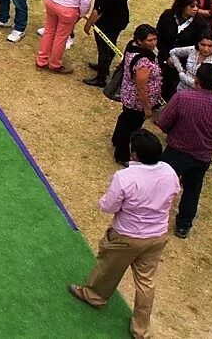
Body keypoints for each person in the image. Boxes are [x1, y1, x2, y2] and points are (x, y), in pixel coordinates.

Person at [67, 128, 179, 339]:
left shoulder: (125, 177)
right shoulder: (169, 171)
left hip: (127, 236)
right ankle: (140, 329)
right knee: (146, 282)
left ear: (135, 154)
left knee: (108, 267)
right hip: (157, 236)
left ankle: (94, 297)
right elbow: (174, 192)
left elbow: (109, 206)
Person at [155, 61, 212, 239]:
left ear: (196, 80)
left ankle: (152, 215)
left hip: (176, 151)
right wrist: (208, 147)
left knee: (161, 185)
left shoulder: (181, 98)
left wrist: (174, 134)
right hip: (201, 157)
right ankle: (183, 225)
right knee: (192, 190)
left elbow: (163, 122)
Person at [111, 25, 163, 165]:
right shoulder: (143, 62)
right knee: (130, 129)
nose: (153, 43)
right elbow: (141, 87)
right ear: (140, 41)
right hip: (136, 101)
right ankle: (122, 154)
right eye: (149, 40)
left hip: (128, 94)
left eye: (155, 39)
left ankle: (116, 138)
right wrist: (147, 108)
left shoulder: (132, 46)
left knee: (124, 120)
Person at [81, 0, 133, 87]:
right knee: (111, 42)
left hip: (106, 23)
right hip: (120, 19)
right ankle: (103, 66)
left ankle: (101, 77)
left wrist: (87, 25)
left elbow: (97, 11)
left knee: (104, 48)